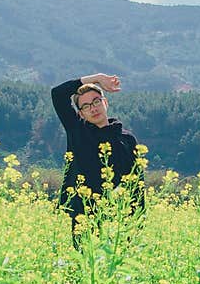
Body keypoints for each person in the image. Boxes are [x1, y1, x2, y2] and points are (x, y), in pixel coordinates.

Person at [51, 73, 145, 248]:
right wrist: (97, 78)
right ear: (81, 113)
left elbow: (137, 184)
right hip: (84, 216)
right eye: (86, 106)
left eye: (96, 101)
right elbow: (58, 94)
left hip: (118, 221)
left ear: (105, 103)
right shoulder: (77, 131)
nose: (93, 108)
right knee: (86, 265)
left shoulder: (127, 139)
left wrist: (137, 222)